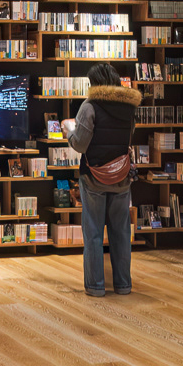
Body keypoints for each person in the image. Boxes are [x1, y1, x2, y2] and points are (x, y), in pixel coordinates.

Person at [66, 60, 141, 296]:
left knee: (94, 234)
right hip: (121, 177)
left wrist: (69, 131)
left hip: (94, 177)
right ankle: (123, 285)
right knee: (121, 234)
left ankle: (96, 287)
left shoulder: (89, 106)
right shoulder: (129, 107)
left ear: (95, 83)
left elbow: (80, 144)